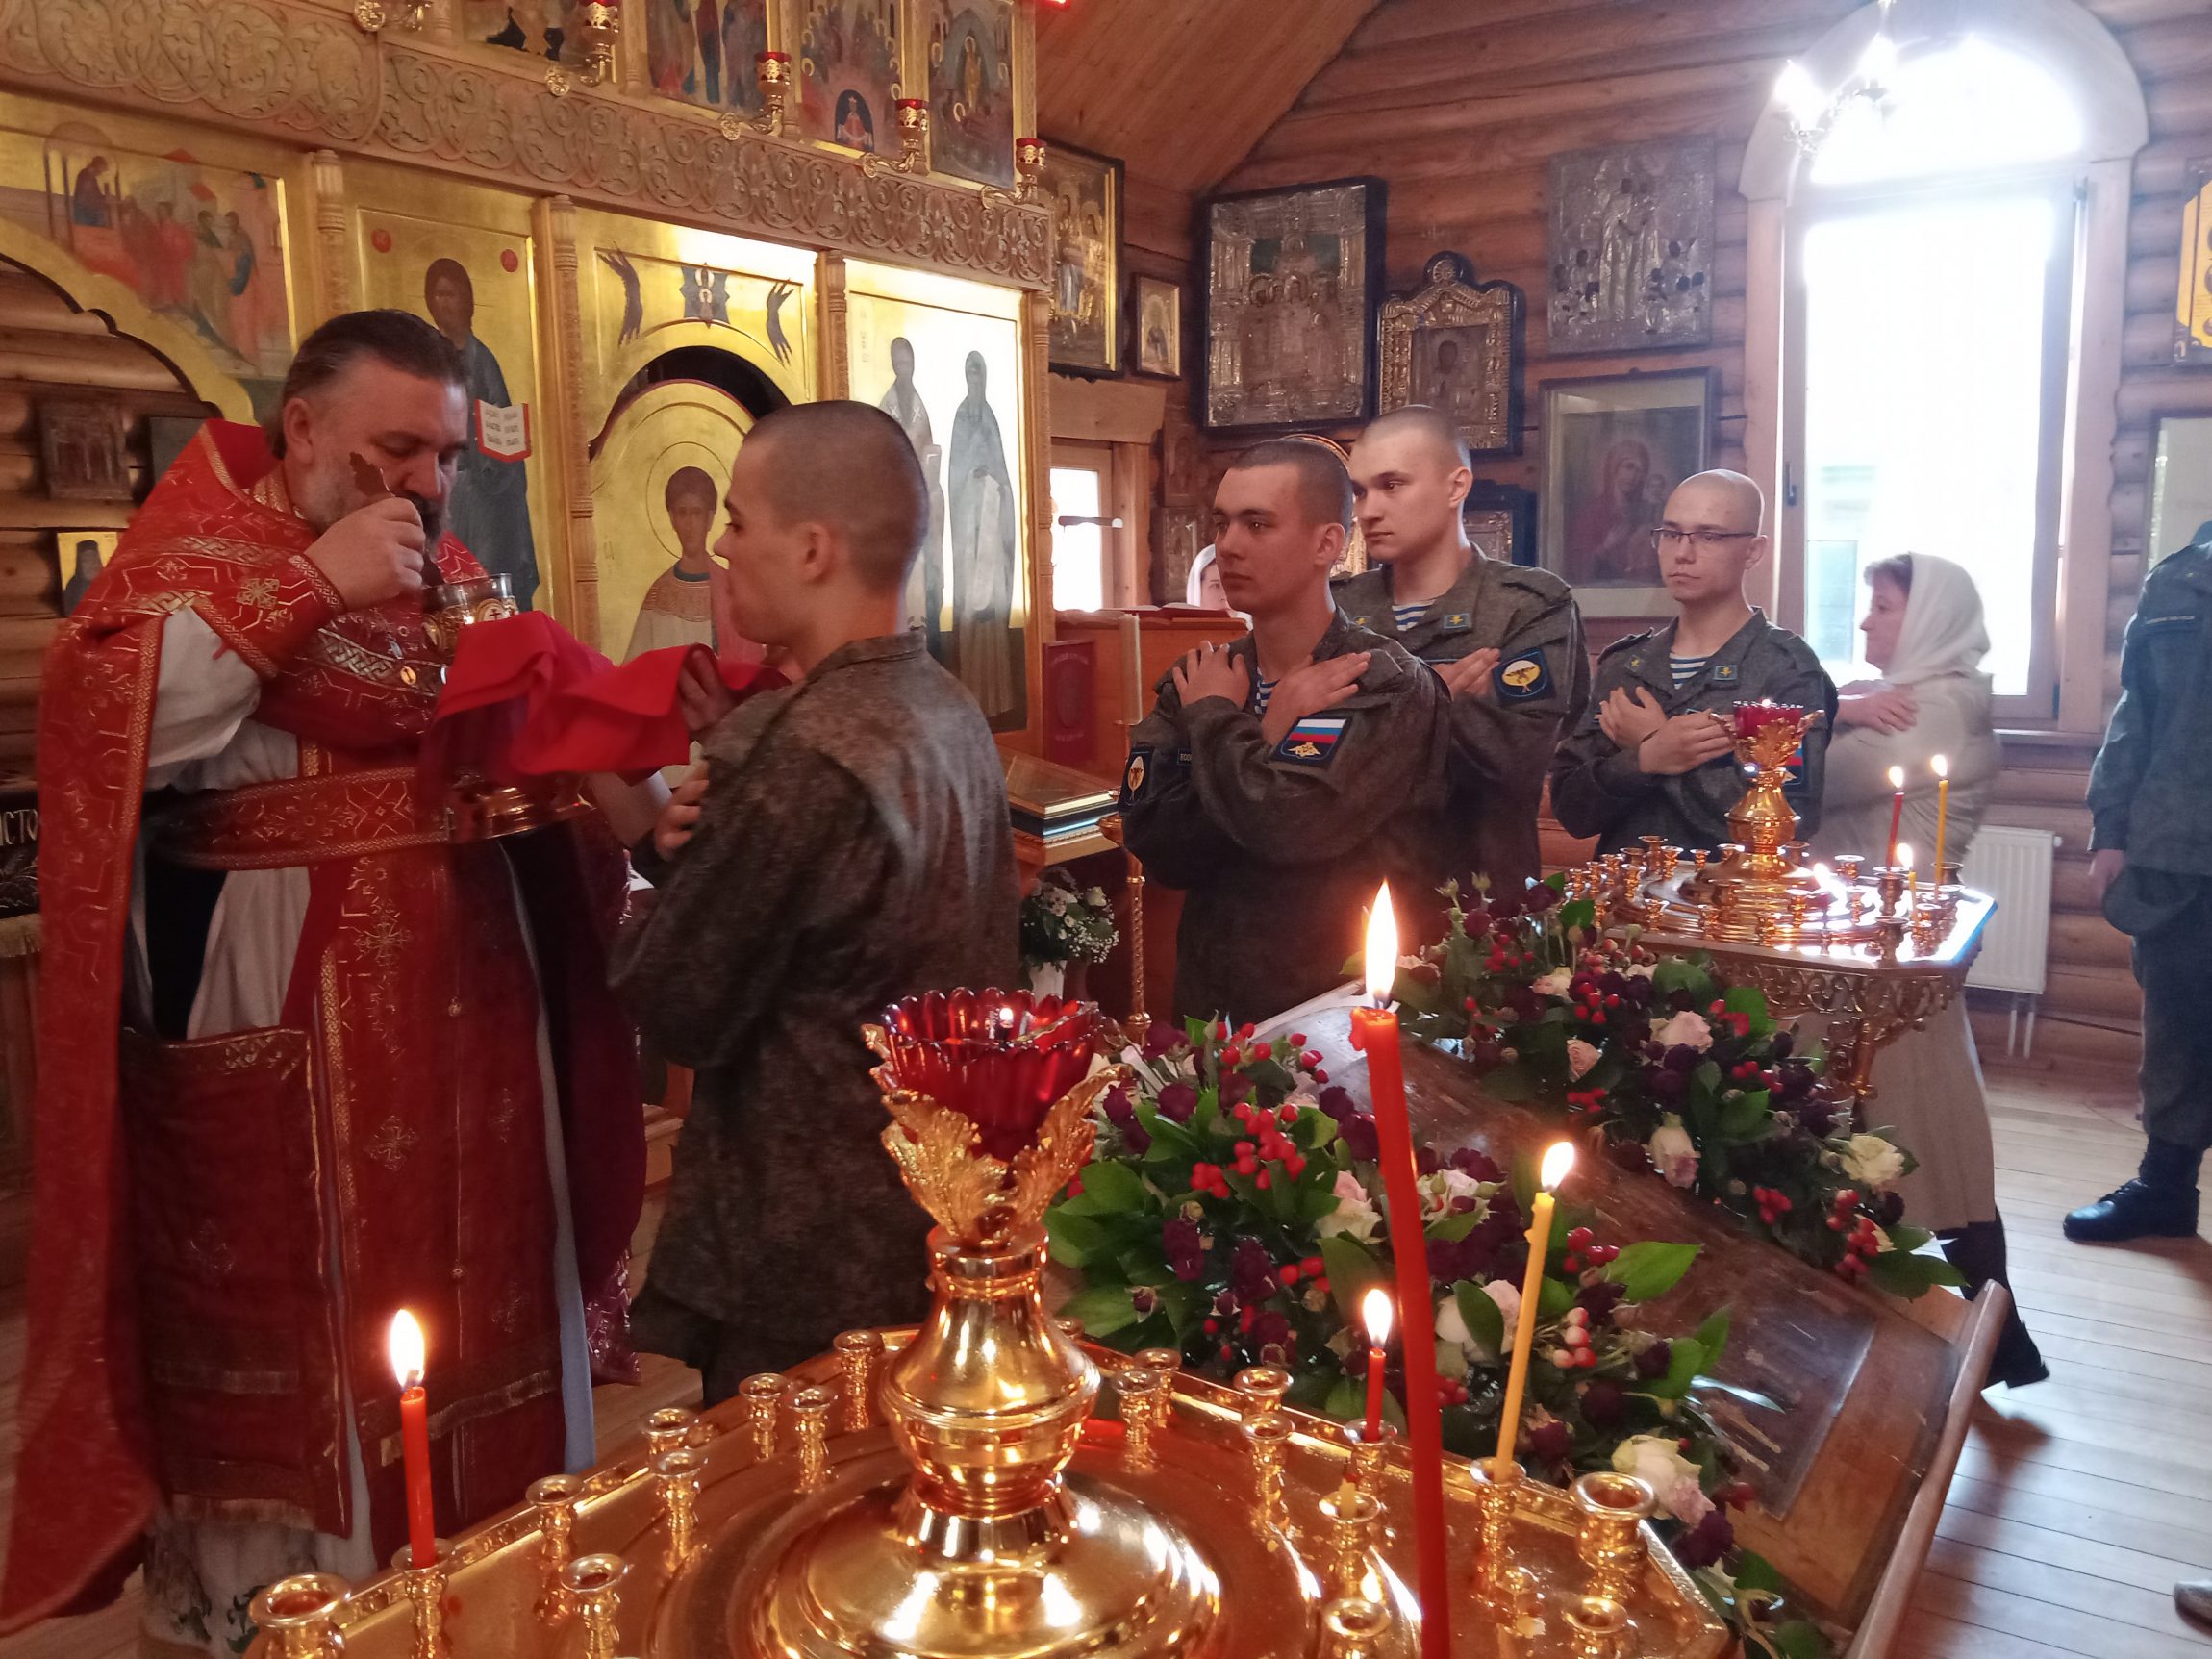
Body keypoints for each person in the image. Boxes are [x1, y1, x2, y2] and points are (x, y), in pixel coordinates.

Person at [3, 311, 643, 1651]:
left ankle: (497, 1566)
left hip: (479, 989)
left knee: (491, 1282)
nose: (425, 481)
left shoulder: (449, 573)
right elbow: (110, 720)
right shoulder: (198, 550)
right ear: (301, 429)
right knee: (319, 1303)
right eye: (394, 448)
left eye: (446, 455)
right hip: (281, 996)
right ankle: (307, 1605)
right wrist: (307, 588)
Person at [611, 400, 1018, 1402]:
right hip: (929, 1210)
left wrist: (627, 840)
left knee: (795, 1498)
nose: (723, 548)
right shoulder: (942, 703)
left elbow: (680, 1004)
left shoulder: (805, 749)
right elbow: (839, 920)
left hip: (807, 1246)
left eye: (738, 521)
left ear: (811, 549)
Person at [1811, 553, 2046, 1387]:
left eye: (1882, 606)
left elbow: (1809, 779)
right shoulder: (1911, 695)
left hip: (1892, 960)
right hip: (1858, 947)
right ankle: (1966, 1336)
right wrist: (1839, 706)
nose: (1866, 621)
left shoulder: (1935, 707)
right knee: (1897, 1139)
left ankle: (1993, 1336)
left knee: (1925, 1142)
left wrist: (1825, 711)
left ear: (1930, 618)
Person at [1119, 439, 1450, 1025]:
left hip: (1339, 1013)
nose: (1228, 545)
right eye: (1221, 523)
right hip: (1214, 1012)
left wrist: (1219, 723)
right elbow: (1158, 844)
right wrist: (1263, 729)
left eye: (1257, 524)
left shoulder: (1379, 682)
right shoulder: (1202, 679)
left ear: (1327, 544)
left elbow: (1287, 823)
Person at [1340, 405, 1589, 897]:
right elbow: (1311, 761)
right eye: (1360, 491)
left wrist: (1369, 708)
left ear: (1456, 487)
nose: (1368, 511)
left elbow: (1514, 762)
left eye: (1392, 485)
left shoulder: (1528, 606)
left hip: (1479, 906)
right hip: (1354, 896)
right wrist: (1436, 697)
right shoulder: (1341, 606)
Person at [1550, 469, 1835, 855]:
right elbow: (1571, 809)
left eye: (1708, 536)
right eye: (1671, 534)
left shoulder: (1785, 669)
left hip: (1727, 892)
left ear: (1753, 551)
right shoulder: (1625, 665)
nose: (1683, 553)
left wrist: (1661, 751)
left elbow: (1791, 821)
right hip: (1626, 891)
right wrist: (1644, 759)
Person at [2064, 539, 2212, 1245]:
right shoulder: (2178, 579)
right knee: (2176, 1023)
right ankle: (2165, 1188)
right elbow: (2136, 715)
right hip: (2178, 846)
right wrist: (2112, 828)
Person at [424, 258, 541, 609]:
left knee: (487, 574)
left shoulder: (484, 360)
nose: (445, 303)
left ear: (467, 300)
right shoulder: (428, 360)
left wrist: (500, 449)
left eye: (452, 294)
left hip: (484, 489)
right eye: (438, 295)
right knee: (448, 580)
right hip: (448, 485)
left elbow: (500, 417)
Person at [946, 350, 1019, 721]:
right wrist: (971, 480)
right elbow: (954, 475)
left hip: (991, 525)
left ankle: (997, 697)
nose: (974, 380)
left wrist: (995, 483)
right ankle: (971, 695)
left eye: (979, 374)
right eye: (970, 374)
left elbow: (1004, 473)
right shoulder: (961, 417)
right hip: (969, 531)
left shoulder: (990, 418)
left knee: (993, 609)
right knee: (972, 614)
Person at [877, 336, 944, 649]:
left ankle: (924, 629)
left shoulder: (920, 407)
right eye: (899, 363)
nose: (904, 369)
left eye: (908, 363)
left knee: (924, 568)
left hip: (923, 495)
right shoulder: (886, 407)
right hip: (896, 501)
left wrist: (929, 467)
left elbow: (928, 445)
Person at [1565, 438, 1657, 584]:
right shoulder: (1591, 514)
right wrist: (1606, 546)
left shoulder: (1645, 512)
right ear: (1614, 468)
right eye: (1629, 467)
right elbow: (1577, 568)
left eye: (1640, 470)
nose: (1634, 476)